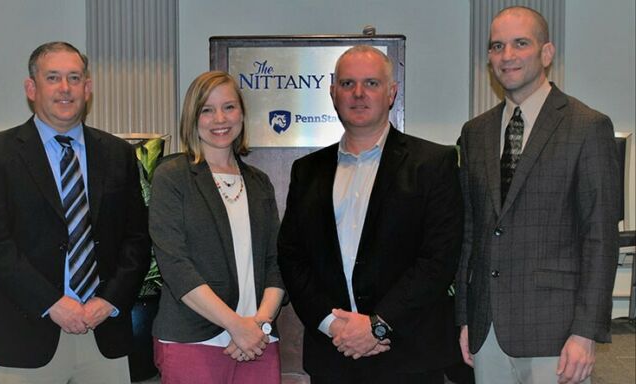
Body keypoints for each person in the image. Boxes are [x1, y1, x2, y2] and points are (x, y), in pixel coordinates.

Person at [0, 41, 151, 383]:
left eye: (74, 77)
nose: (65, 88)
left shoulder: (117, 154)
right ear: (31, 88)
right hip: (27, 333)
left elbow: (136, 240)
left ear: (88, 88)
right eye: (53, 77)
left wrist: (108, 302)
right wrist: (54, 303)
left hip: (103, 332)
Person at [278, 45, 464, 383]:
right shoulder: (306, 171)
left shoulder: (433, 164)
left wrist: (377, 325)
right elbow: (292, 257)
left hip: (408, 357)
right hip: (333, 354)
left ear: (391, 93)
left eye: (371, 83)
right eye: (348, 84)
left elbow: (439, 259)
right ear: (333, 94)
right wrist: (333, 325)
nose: (359, 93)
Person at [455, 6, 621, 384]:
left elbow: (600, 237)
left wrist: (586, 332)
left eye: (520, 43)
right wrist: (465, 317)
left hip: (558, 332)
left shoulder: (587, 126)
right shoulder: (475, 132)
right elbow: (472, 231)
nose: (507, 55)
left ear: (546, 53)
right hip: (488, 329)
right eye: (497, 46)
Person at [148, 71, 285, 384]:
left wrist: (259, 325)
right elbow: (176, 266)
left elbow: (276, 264)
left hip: (259, 342)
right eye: (206, 110)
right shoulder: (173, 177)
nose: (219, 119)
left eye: (229, 107)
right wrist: (237, 326)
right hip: (193, 342)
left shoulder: (259, 183)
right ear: (192, 118)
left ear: (241, 113)